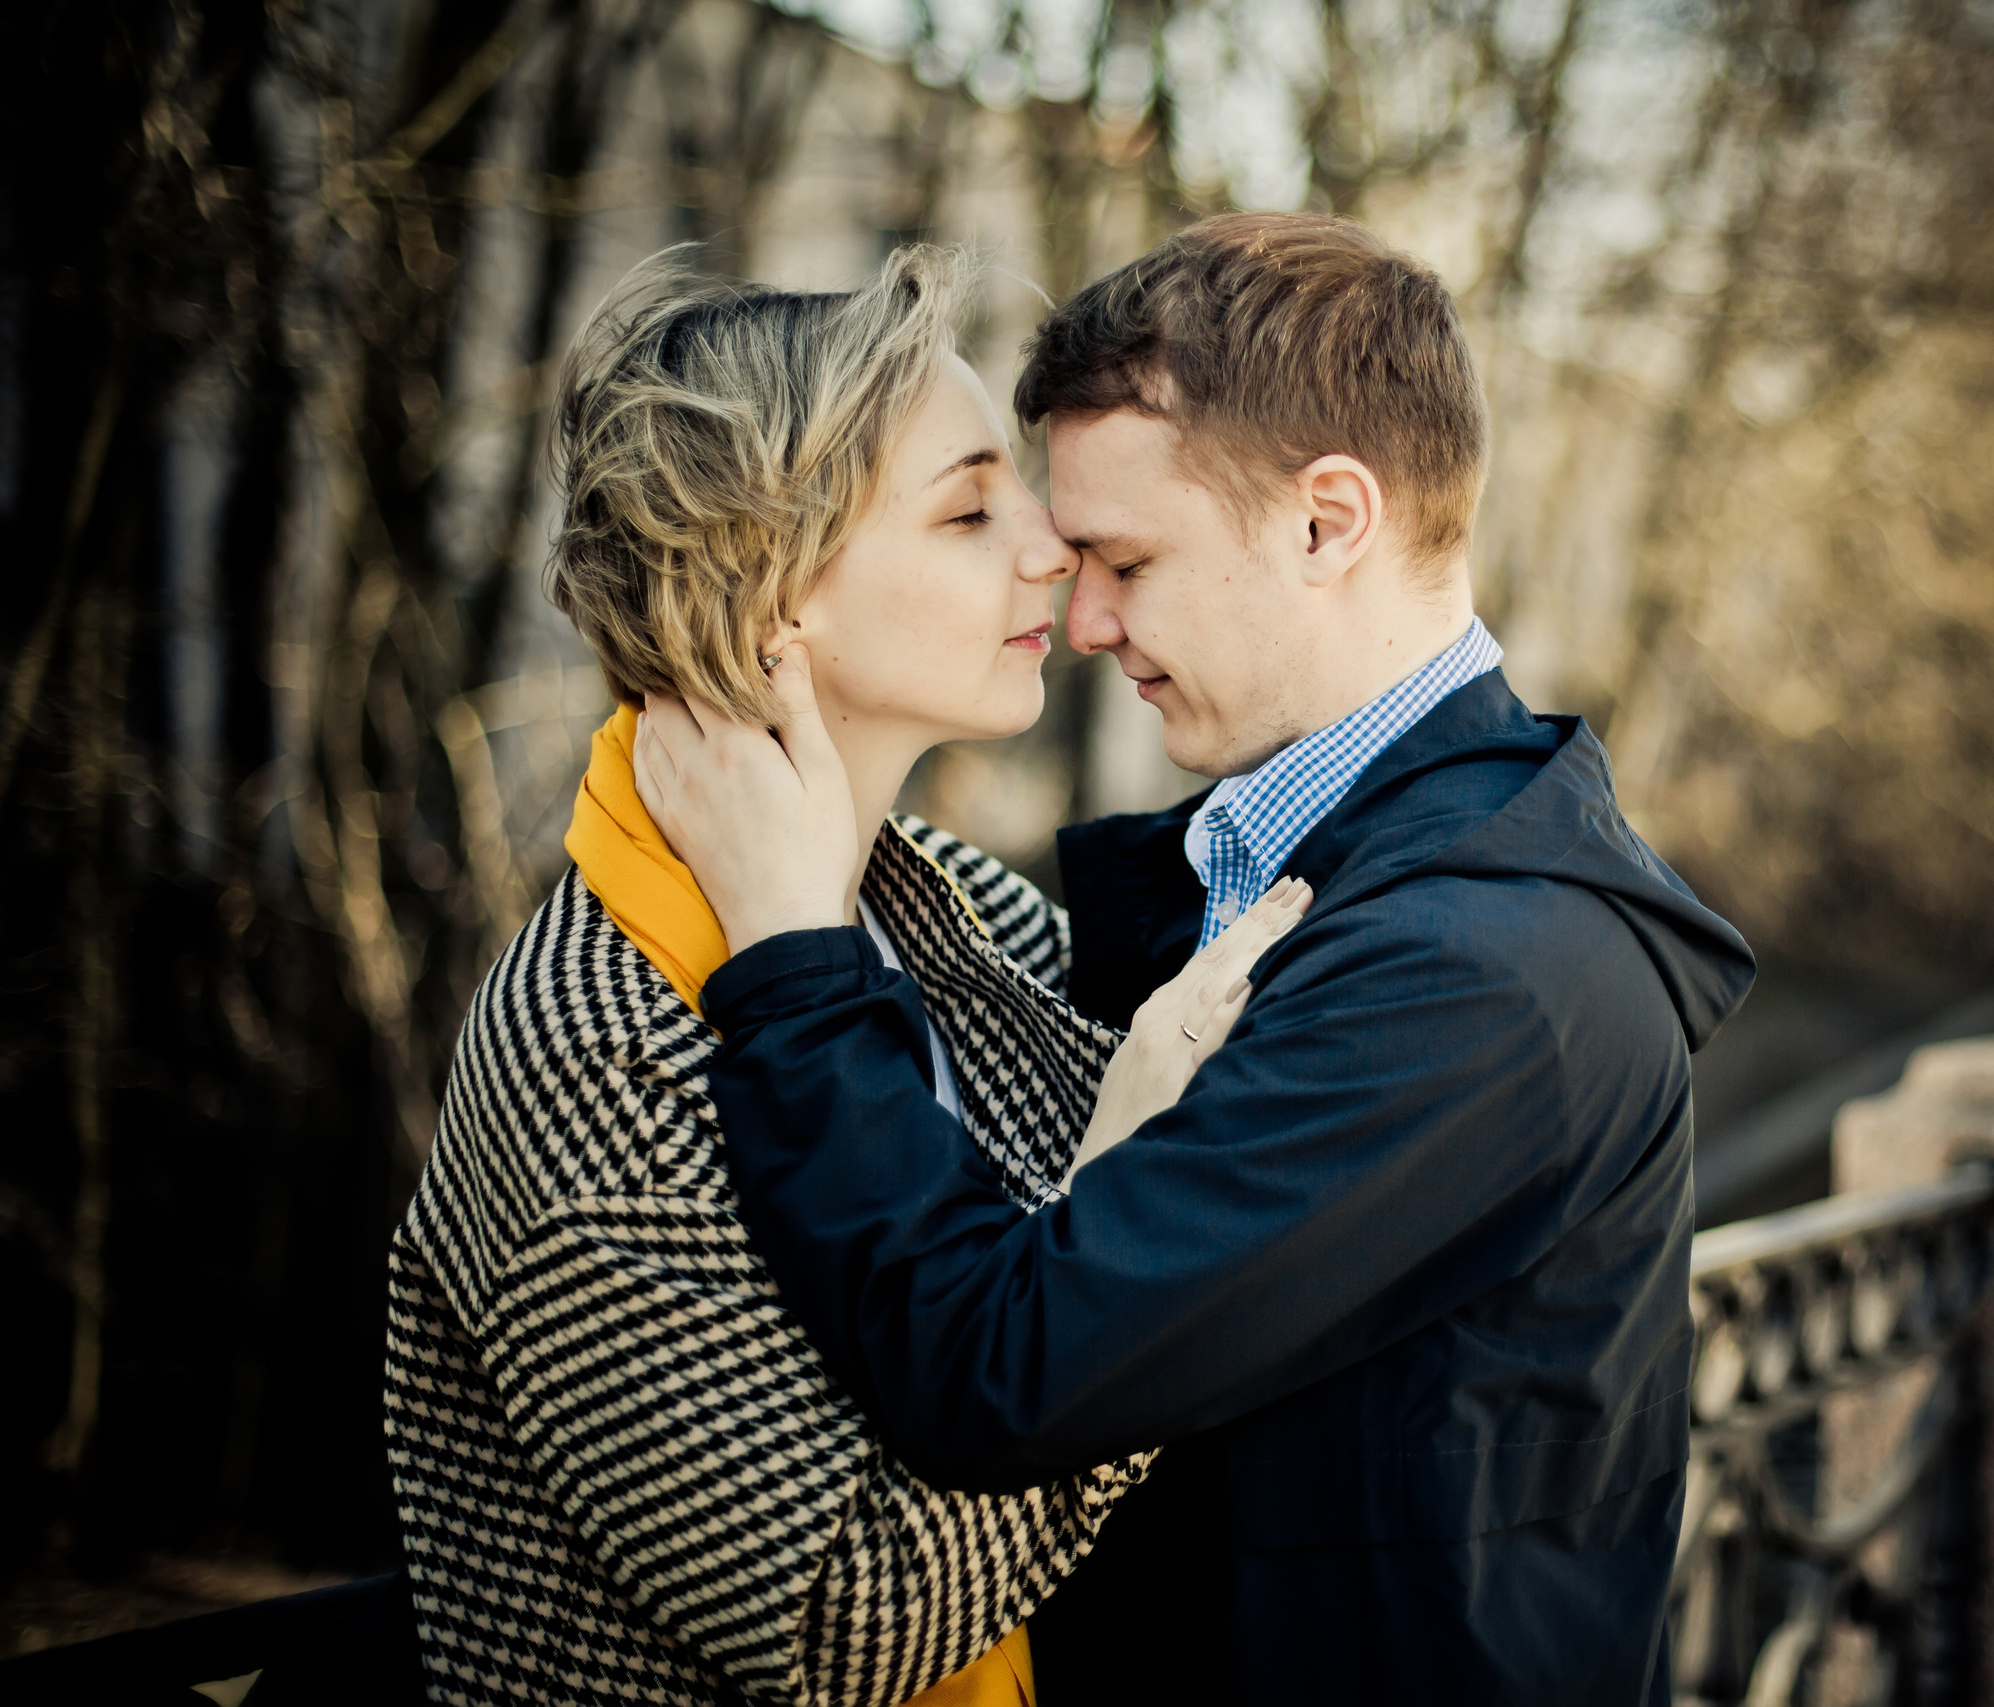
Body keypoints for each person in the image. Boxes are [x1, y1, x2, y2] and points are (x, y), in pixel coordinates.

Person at [640, 213, 1758, 1706]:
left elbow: (1006, 1371)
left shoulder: (1475, 971)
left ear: (1326, 521)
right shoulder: (1289, 867)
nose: (1082, 616)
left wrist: (786, 963)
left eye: (1127, 558)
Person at [383, 246, 1308, 1707]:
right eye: (966, 509)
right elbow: (838, 1620)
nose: (1050, 545)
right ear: (770, 600)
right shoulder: (590, 1045)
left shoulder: (963, 917)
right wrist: (1124, 1254)